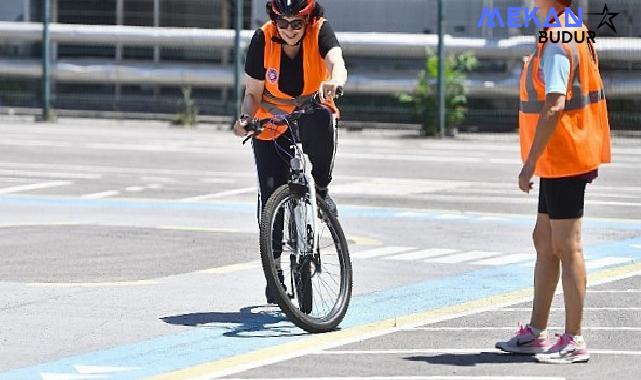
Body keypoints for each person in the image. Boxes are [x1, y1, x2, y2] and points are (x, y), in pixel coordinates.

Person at [495, 0, 611, 364]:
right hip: (559, 157)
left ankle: (574, 338)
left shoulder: (559, 38)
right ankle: (536, 332)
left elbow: (555, 103)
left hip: (565, 155)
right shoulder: (565, 29)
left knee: (566, 244)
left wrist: (529, 165)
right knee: (544, 240)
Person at [232, 0, 348, 303]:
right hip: (271, 119)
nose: (290, 30)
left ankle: (321, 190)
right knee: (271, 195)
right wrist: (245, 119)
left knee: (324, 121)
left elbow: (337, 62)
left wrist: (334, 82)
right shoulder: (263, 39)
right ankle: (275, 273)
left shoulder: (320, 31)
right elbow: (253, 94)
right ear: (275, 20)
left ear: (308, 19)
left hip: (310, 111)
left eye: (297, 23)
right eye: (283, 23)